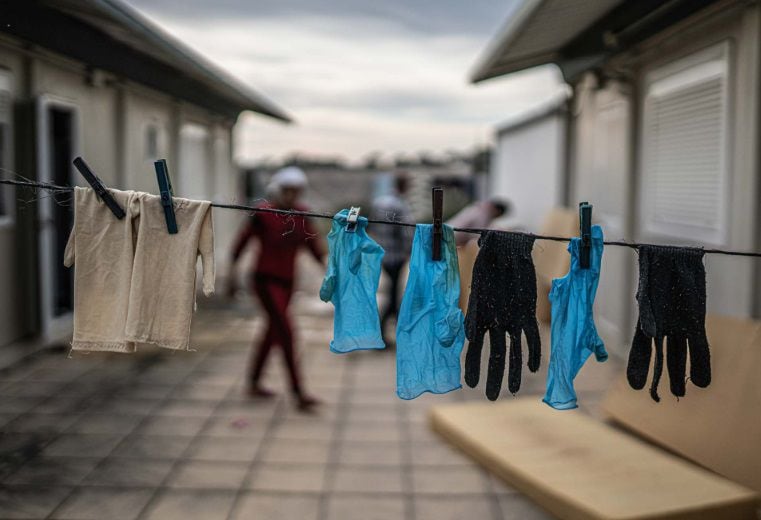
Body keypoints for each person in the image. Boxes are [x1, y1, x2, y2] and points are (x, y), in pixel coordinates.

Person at [228, 166, 324, 411]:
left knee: (273, 331)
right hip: (265, 279)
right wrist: (232, 275)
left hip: (288, 281)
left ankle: (253, 382)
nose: (292, 194)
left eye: (296, 190)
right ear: (279, 189)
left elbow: (314, 247)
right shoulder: (262, 213)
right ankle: (298, 392)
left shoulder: (302, 214)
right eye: (287, 189)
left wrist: (333, 274)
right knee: (286, 332)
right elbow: (241, 243)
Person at [370, 174, 413, 345]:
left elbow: (373, 226)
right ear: (404, 186)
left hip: (383, 253)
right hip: (396, 255)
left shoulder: (379, 202)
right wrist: (411, 249)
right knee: (394, 296)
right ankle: (383, 333)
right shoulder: (400, 205)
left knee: (394, 294)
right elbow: (406, 232)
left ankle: (389, 332)